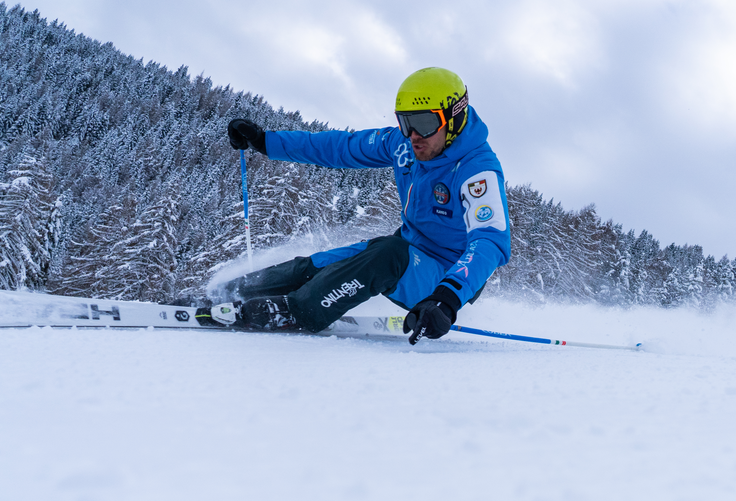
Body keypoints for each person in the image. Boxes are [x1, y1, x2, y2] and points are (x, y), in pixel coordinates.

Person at [202, 67, 511, 345]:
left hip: (445, 276)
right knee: (316, 265)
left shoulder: (476, 169)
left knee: (387, 254)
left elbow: (490, 241)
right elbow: (341, 147)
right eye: (405, 123)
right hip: (408, 250)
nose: (414, 135)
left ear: (454, 118)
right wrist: (267, 142)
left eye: (425, 123)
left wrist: (447, 299)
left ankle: (299, 311)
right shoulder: (404, 144)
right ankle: (222, 295)